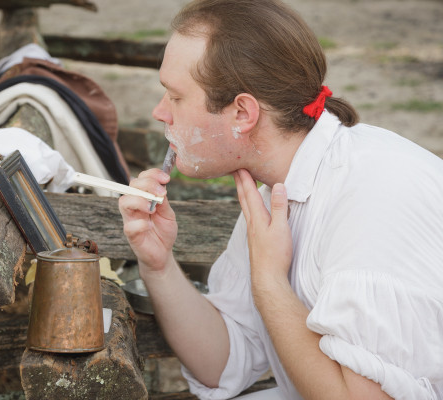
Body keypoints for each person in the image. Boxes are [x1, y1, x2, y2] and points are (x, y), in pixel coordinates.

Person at [118, 0, 443, 399]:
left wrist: (270, 283)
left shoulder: (369, 203)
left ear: (242, 113)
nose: (159, 112)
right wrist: (158, 264)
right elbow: (225, 361)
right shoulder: (278, 189)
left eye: (176, 97)